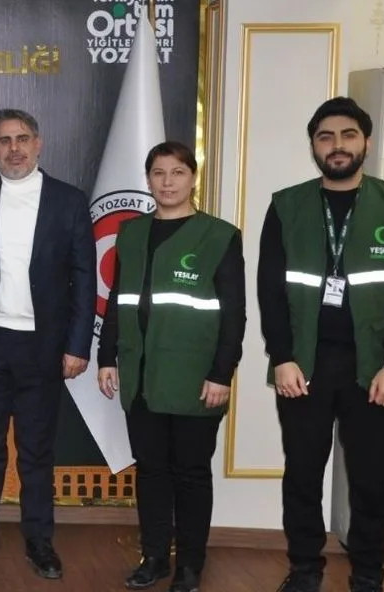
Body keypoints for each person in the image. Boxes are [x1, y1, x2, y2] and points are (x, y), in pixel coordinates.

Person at [259, 97, 384, 592]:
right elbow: (270, 290)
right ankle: (305, 570)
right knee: (302, 475)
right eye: (326, 137)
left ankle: (369, 575)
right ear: (314, 146)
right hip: (304, 366)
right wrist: (282, 357)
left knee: (370, 480)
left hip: (374, 368)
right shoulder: (286, 206)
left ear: (366, 143)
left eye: (348, 135)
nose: (337, 145)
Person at [0, 108, 96, 579]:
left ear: (38, 143)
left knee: (36, 450)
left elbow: (84, 278)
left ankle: (39, 540)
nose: (15, 149)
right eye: (5, 140)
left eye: (23, 139)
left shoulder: (68, 201)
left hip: (43, 347)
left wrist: (78, 345)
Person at [96, 141, 246, 592]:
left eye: (177, 172)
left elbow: (234, 314)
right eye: (158, 173)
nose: (167, 182)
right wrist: (106, 357)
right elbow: (118, 300)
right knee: (151, 471)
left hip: (195, 380)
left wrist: (222, 373)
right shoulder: (131, 233)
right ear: (148, 180)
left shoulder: (219, 236)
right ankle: (155, 557)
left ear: (193, 178)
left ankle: (190, 566)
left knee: (192, 475)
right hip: (140, 378)